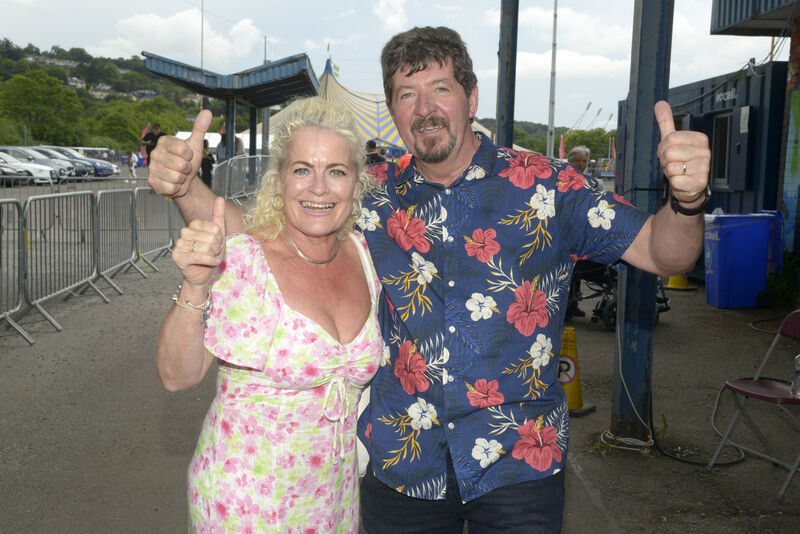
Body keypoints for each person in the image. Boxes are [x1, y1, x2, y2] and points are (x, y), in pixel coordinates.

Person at [148, 26, 710, 534]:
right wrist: (185, 186)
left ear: (472, 99)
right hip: (402, 465)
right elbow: (265, 236)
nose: (424, 108)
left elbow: (662, 252)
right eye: (406, 94)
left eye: (440, 88)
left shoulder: (548, 186)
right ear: (393, 110)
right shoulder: (369, 194)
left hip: (518, 466)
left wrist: (687, 201)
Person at [154, 97, 383, 532]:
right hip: (248, 503)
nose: (319, 188)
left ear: (356, 185)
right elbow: (176, 375)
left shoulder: (361, 254)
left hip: (333, 501)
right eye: (302, 170)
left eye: (336, 171)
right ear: (278, 182)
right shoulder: (247, 259)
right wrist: (195, 284)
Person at [566, 145, 593, 317]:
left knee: (578, 270)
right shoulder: (564, 179)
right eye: (578, 161)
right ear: (570, 161)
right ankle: (566, 307)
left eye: (584, 161)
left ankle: (573, 305)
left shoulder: (589, 180)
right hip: (566, 229)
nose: (582, 164)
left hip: (580, 229)